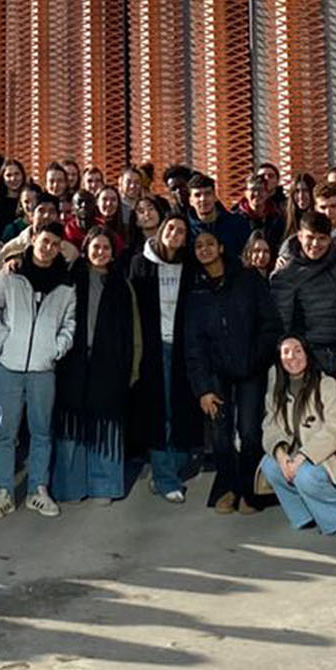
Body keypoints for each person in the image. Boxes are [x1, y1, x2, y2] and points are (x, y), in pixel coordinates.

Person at [0, 221, 76, 520]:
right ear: (33, 239)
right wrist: (5, 341)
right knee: (5, 432)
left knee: (41, 432)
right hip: (9, 366)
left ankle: (38, 489)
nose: (48, 248)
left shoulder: (66, 284)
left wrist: (55, 348)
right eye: (44, 240)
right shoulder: (12, 275)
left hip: (42, 370)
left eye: (55, 244)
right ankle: (4, 491)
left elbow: (69, 324)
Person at [185, 228, 281, 514]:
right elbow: (194, 346)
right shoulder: (196, 291)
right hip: (216, 373)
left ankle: (250, 492)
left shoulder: (248, 279)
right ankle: (228, 488)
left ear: (221, 248)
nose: (204, 249)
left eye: (209, 244)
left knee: (250, 432)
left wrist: (258, 357)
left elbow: (270, 324)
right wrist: (202, 388)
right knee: (221, 435)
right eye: (199, 246)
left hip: (250, 367)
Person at [51, 228, 138, 503]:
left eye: (106, 248)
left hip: (109, 364)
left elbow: (132, 330)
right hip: (72, 361)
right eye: (96, 247)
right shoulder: (69, 278)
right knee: (71, 422)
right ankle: (71, 486)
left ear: (113, 253)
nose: (101, 252)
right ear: (86, 248)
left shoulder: (121, 285)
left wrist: (132, 366)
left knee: (106, 423)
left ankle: (105, 486)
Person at [129, 215, 202, 503]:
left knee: (180, 409)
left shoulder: (190, 265)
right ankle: (164, 478)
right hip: (153, 349)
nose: (175, 233)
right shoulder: (141, 263)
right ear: (161, 230)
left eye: (181, 230)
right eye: (170, 228)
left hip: (182, 347)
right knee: (159, 412)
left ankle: (169, 469)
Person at [259, 336, 336, 535]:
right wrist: (282, 456)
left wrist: (302, 457)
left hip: (323, 456)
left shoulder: (326, 384)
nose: (292, 357)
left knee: (305, 475)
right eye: (286, 352)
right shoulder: (276, 384)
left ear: (308, 354)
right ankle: (304, 515)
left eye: (298, 350)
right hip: (291, 452)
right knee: (269, 465)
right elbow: (270, 424)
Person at [270, 211, 336, 375]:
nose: (315, 244)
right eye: (310, 237)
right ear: (300, 236)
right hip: (310, 354)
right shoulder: (286, 274)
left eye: (322, 238)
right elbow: (282, 323)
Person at [0, 192, 81, 266]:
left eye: (52, 211)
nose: (46, 216)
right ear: (31, 215)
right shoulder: (12, 249)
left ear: (58, 217)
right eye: (41, 210)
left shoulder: (70, 252)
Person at [234, 173, 285, 245]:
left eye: (261, 189)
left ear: (267, 193)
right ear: (245, 193)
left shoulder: (277, 218)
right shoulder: (236, 219)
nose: (257, 193)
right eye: (253, 189)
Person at [282, 172, 315, 240]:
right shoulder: (283, 219)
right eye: (297, 191)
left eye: (305, 191)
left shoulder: (319, 217)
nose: (301, 196)